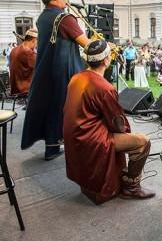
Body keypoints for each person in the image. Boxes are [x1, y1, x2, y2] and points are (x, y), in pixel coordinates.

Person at [63, 40, 155, 204]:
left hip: (74, 138)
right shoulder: (104, 87)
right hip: (91, 140)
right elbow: (117, 123)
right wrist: (128, 133)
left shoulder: (76, 78)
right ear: (106, 60)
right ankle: (131, 187)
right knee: (143, 142)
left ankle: (121, 179)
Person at [21, 0, 90, 160]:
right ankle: (78, 143)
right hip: (64, 71)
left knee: (54, 105)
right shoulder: (64, 18)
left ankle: (52, 147)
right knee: (69, 107)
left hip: (47, 69)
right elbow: (87, 44)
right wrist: (106, 46)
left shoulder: (42, 17)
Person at [9, 28, 38, 95]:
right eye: (37, 42)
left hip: (14, 88)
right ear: (34, 40)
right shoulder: (28, 52)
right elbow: (42, 67)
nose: (37, 45)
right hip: (24, 90)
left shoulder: (14, 50)